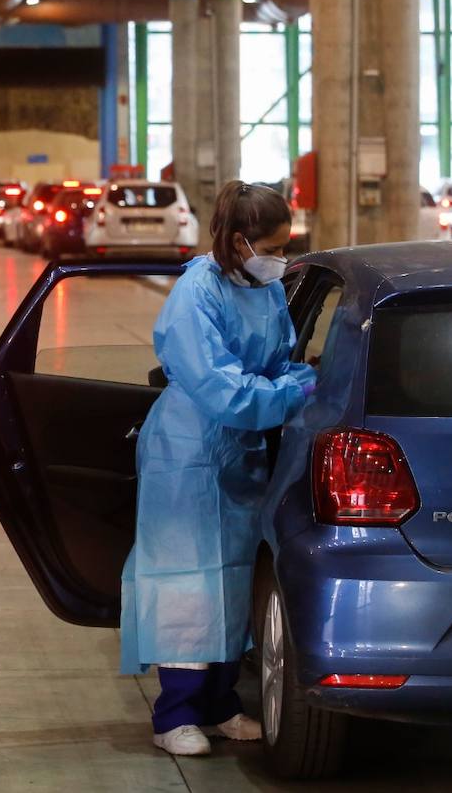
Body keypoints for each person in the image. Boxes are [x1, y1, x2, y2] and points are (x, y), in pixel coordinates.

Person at [121, 180, 316, 758]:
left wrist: (292, 379)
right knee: (187, 583)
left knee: (232, 579)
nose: (281, 258)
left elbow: (279, 357)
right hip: (190, 450)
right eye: (275, 247)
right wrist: (296, 389)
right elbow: (221, 388)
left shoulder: (265, 289)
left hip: (243, 450)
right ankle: (175, 712)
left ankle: (220, 703)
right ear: (240, 241)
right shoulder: (195, 293)